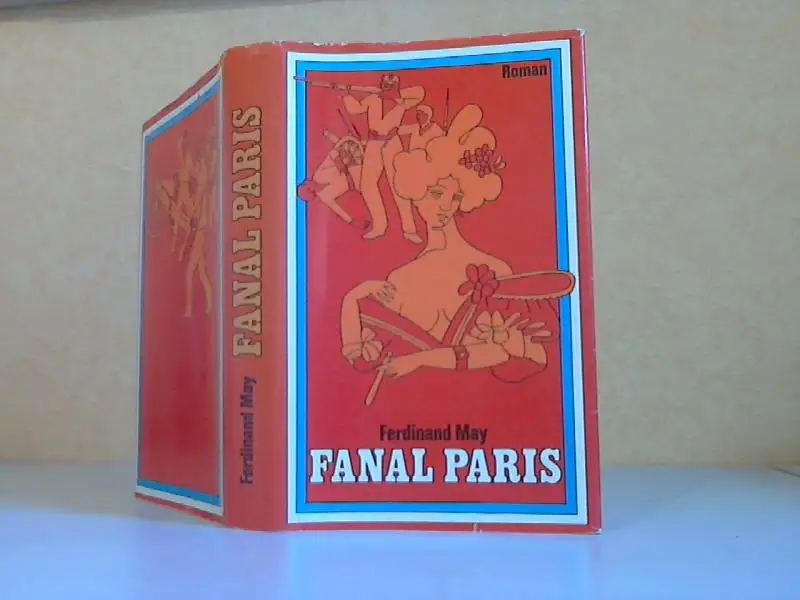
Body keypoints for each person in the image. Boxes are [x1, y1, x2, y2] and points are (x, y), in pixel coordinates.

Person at [338, 104, 575, 405]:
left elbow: (520, 355)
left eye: (456, 197)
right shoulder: (400, 278)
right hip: (410, 414)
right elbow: (360, 359)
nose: (445, 206)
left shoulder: (492, 268)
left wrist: (421, 360)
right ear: (415, 190)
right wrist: (352, 299)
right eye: (436, 193)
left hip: (485, 413)